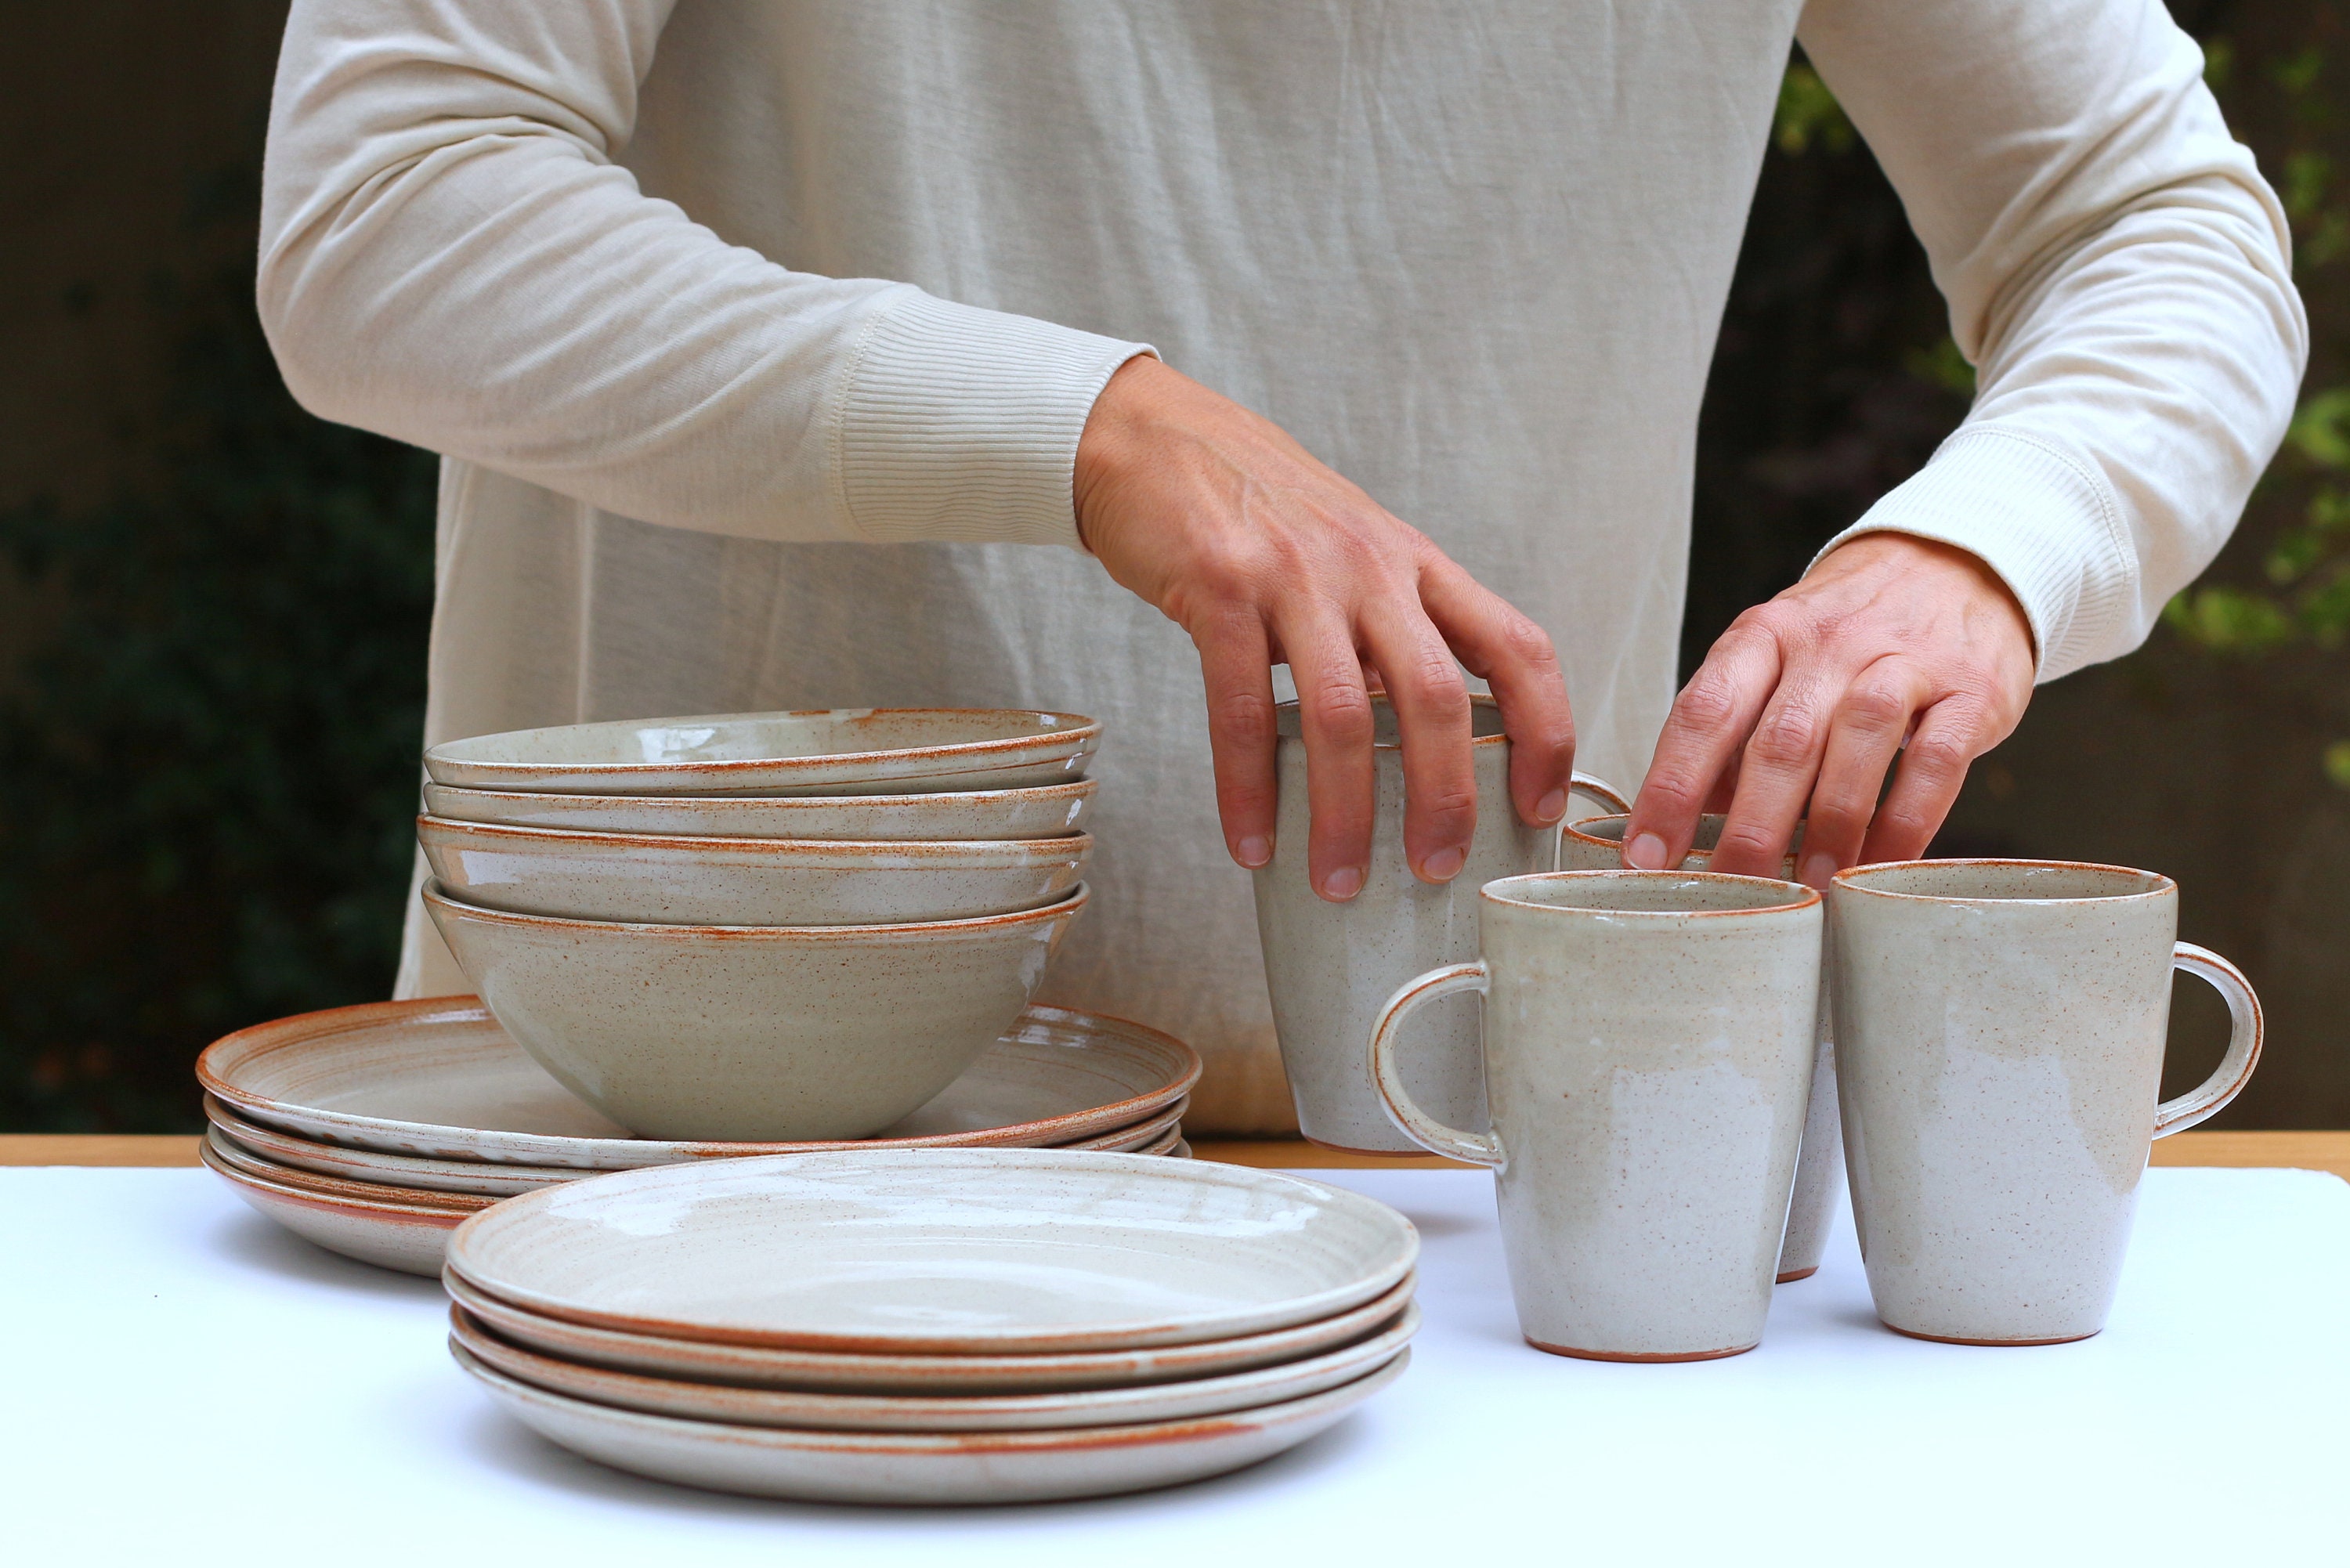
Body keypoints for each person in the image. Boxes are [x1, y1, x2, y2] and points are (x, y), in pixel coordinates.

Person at [258, 1, 2305, 1132]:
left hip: (1463, 1192)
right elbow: (387, 212)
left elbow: (2153, 221)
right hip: (665, 1158)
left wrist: (1980, 549)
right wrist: (1101, 428)